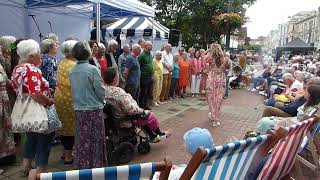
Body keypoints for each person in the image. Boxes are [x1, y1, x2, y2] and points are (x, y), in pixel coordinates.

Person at [11, 39, 54, 175]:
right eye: (38, 53)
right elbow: (35, 94)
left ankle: (26, 166)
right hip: (38, 110)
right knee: (44, 140)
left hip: (25, 110)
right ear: (30, 56)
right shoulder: (32, 69)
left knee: (31, 139)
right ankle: (40, 172)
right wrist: (49, 101)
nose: (40, 55)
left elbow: (18, 88)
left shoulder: (17, 68)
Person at [104, 67, 171, 143]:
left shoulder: (104, 90)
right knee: (150, 116)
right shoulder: (117, 92)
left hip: (117, 116)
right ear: (114, 79)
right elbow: (130, 109)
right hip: (125, 118)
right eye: (118, 76)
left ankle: (153, 136)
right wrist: (141, 111)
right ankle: (159, 133)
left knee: (143, 117)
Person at [69, 41, 106, 169]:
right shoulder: (92, 69)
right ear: (88, 53)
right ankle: (95, 165)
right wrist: (103, 102)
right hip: (93, 109)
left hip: (79, 109)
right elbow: (100, 90)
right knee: (95, 139)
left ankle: (82, 165)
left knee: (82, 139)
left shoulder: (72, 70)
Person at [54, 40, 78, 165]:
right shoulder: (73, 65)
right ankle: (68, 156)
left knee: (65, 127)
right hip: (69, 99)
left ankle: (65, 153)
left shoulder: (63, 62)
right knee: (70, 129)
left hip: (61, 98)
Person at [205, 44, 227, 127]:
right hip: (221, 79)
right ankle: (215, 118)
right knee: (218, 99)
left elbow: (203, 58)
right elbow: (227, 67)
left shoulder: (210, 58)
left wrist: (208, 51)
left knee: (211, 98)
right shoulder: (224, 59)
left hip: (211, 79)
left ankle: (213, 115)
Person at [0, 61, 15, 168]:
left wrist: (17, 86)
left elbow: (7, 80)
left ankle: (6, 157)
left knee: (6, 127)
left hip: (4, 100)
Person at [138, 41, 153, 110]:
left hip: (149, 75)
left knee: (147, 91)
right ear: (145, 46)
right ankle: (142, 105)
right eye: (149, 45)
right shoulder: (142, 55)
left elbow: (151, 65)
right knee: (144, 91)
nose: (151, 46)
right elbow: (138, 65)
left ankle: (146, 104)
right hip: (144, 76)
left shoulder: (150, 54)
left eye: (151, 45)